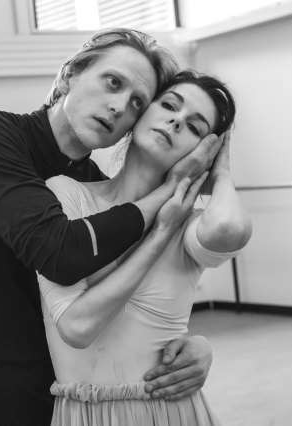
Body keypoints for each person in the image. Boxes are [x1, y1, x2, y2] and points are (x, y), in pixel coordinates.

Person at [0, 29, 224, 426]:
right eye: (113, 82)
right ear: (71, 74)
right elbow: (60, 253)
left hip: (47, 407)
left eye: (137, 102)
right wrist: (170, 191)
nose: (120, 105)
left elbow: (125, 303)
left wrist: (195, 347)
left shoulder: (97, 193)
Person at [38, 70, 252, 425]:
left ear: (205, 150)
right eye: (169, 105)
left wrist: (222, 174)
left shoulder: (188, 221)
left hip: (170, 411)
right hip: (84, 412)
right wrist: (161, 226)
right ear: (143, 112)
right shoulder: (66, 193)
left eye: (196, 127)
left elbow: (229, 226)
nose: (176, 121)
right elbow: (76, 327)